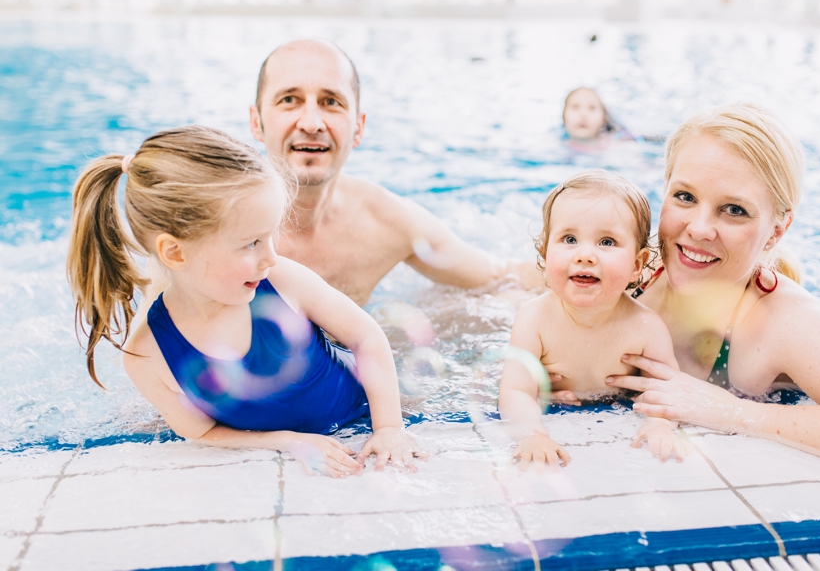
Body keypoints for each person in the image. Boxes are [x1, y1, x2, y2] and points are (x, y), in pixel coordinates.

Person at [599, 104, 820, 483]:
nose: (699, 229)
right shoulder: (636, 266)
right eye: (685, 197)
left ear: (776, 230)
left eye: (734, 210)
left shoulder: (779, 321)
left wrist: (735, 413)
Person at [67, 126, 425, 478]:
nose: (271, 257)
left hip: (363, 404)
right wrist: (289, 441)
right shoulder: (148, 357)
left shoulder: (282, 281)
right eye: (251, 243)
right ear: (174, 252)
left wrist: (388, 427)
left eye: (271, 236)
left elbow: (366, 337)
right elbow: (202, 432)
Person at [246, 39, 540, 306]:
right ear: (256, 122)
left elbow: (502, 277)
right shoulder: (225, 222)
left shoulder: (384, 222)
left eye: (331, 102)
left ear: (358, 128)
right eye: (289, 100)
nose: (311, 123)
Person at [499, 170, 690, 470]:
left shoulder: (646, 327)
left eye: (607, 242)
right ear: (545, 253)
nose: (585, 255)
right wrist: (532, 434)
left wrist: (659, 424)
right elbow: (515, 390)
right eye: (569, 239)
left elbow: (667, 389)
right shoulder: (533, 319)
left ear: (637, 264)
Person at [562, 87, 633, 151]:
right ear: (563, 115)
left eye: (592, 108)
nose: (583, 114)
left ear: (603, 118)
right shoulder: (558, 146)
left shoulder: (620, 146)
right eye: (575, 107)